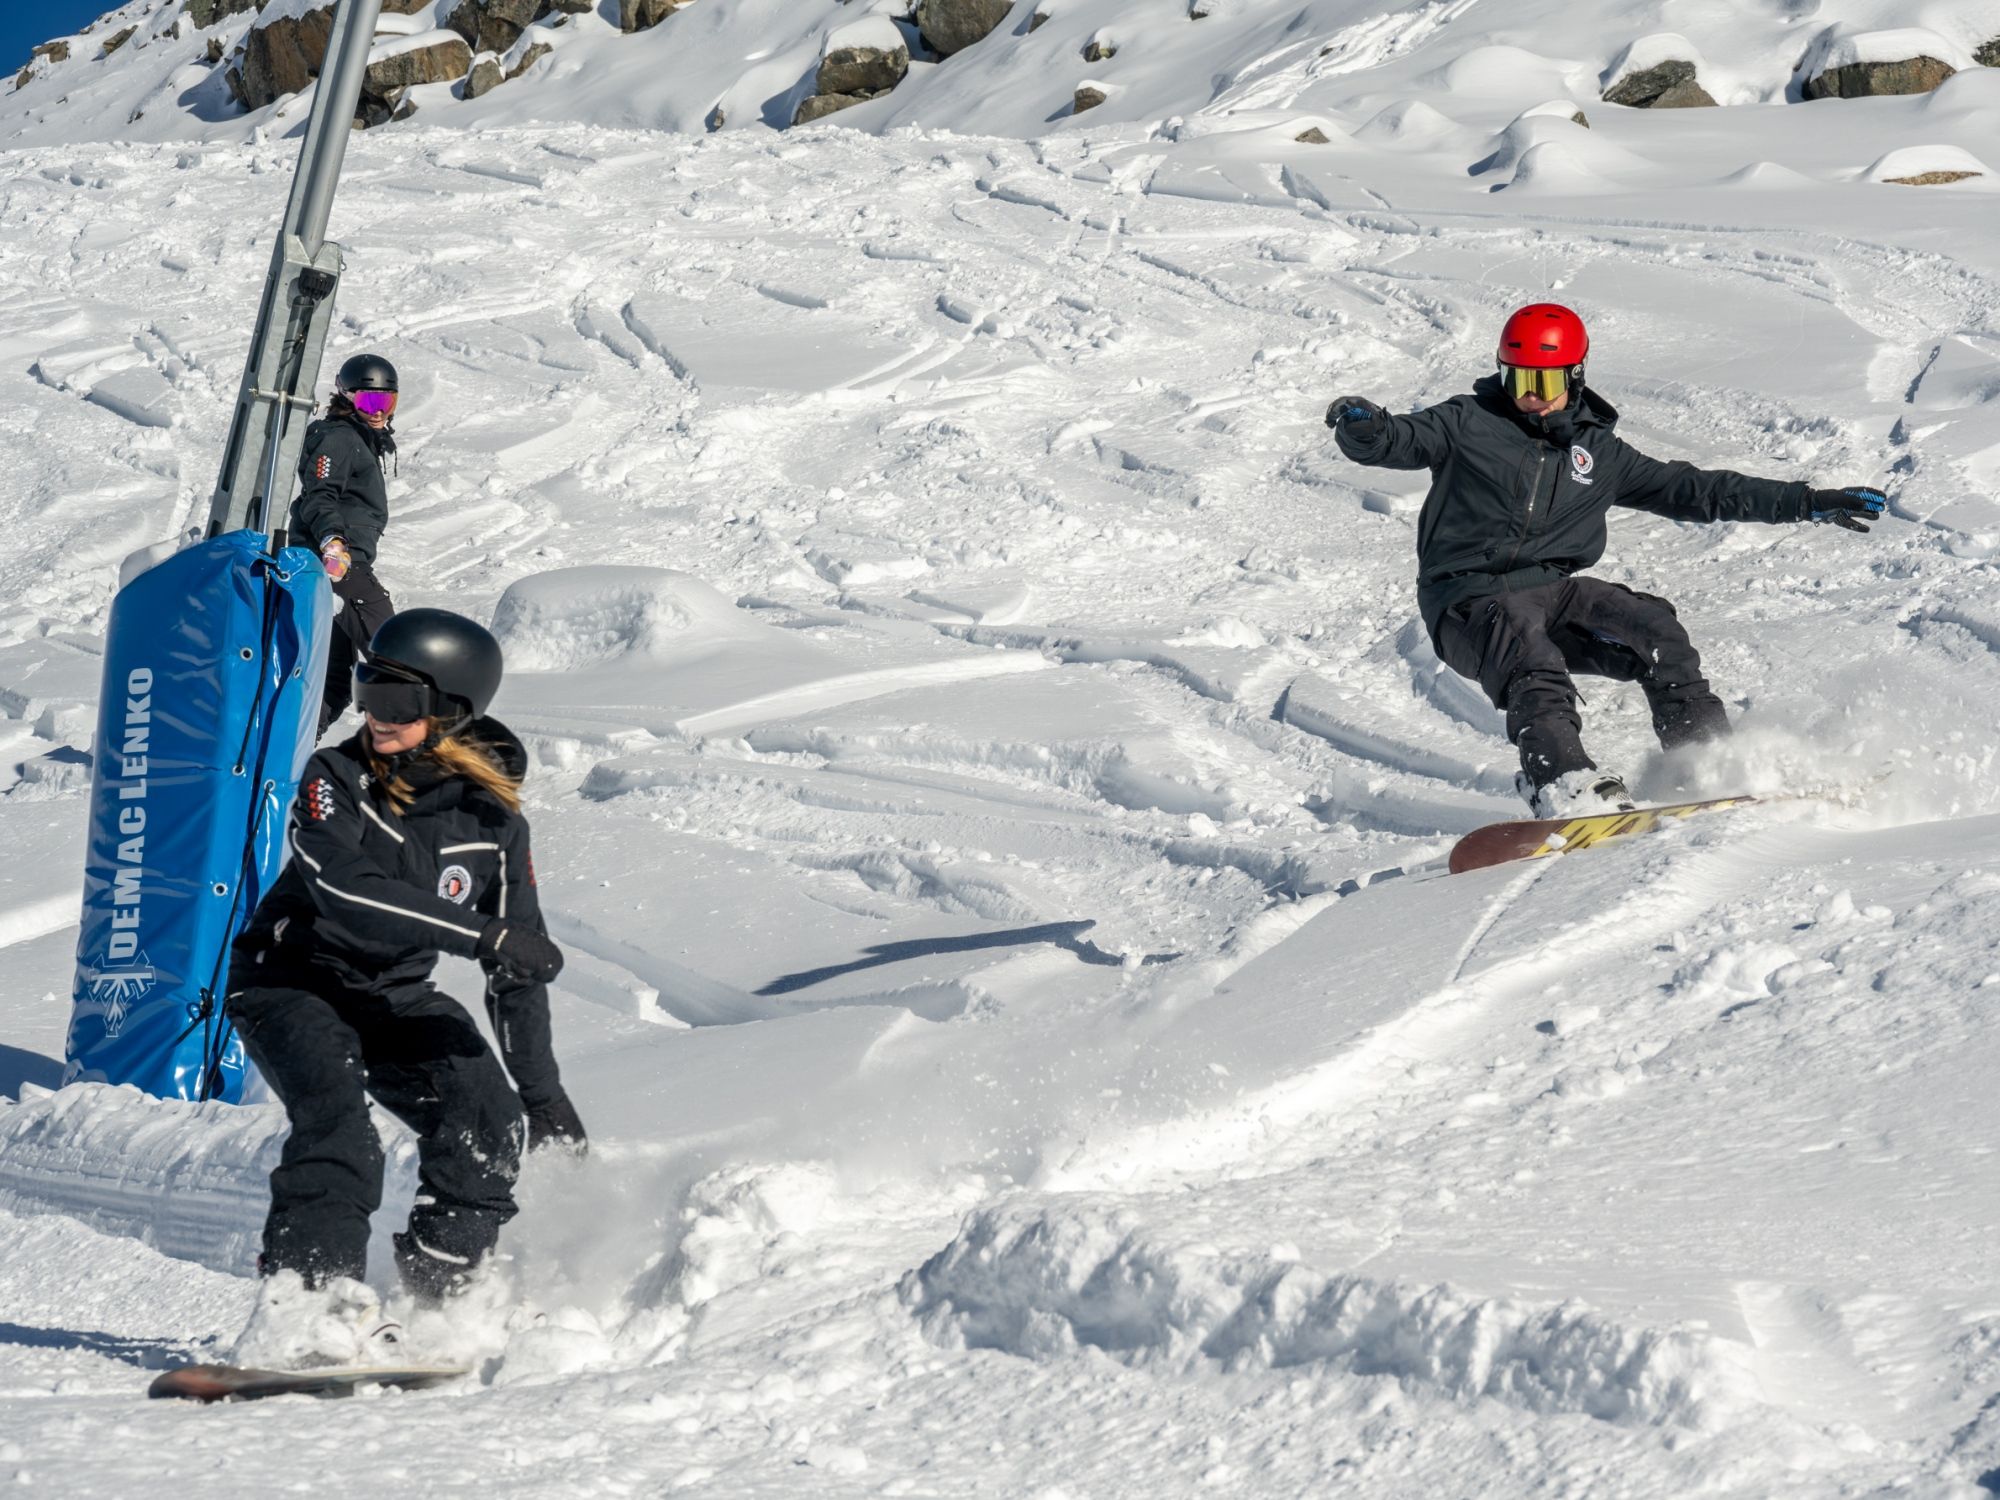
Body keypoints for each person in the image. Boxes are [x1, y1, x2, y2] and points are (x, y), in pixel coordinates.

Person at [1327, 302, 1887, 817]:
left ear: (1574, 376)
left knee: (1654, 628)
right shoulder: (1465, 423)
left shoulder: (1597, 452)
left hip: (1551, 591)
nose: (1530, 394)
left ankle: (1709, 762)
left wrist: (1807, 503)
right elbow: (1393, 441)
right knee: (1531, 657)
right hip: (1467, 602)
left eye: (1544, 380)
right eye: (1517, 379)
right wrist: (1363, 426)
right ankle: (1562, 783)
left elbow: (1697, 490)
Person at [225, 608, 587, 1367]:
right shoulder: (336, 778)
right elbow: (345, 890)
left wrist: (543, 1094)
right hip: (293, 979)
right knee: (340, 1130)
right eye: (365, 692)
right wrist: (482, 935)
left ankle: (439, 1297)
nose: (372, 716)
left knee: (486, 1122)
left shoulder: (494, 824)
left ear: (450, 712)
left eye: (395, 703)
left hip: (392, 990)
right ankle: (306, 1310)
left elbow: (515, 969)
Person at [294, 352, 401, 737]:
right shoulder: (339, 438)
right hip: (338, 565)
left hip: (338, 566)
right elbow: (318, 495)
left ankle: (289, 754)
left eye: (386, 402)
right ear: (347, 398)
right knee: (396, 654)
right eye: (369, 401)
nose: (378, 411)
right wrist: (332, 541)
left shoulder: (358, 439)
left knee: (332, 683)